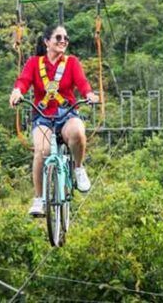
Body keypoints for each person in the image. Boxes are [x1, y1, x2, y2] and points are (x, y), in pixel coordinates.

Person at [9, 25, 99, 216]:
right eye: (58, 37)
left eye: (66, 38)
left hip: (66, 113)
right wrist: (17, 91)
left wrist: (89, 94)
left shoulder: (71, 63)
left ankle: (78, 168)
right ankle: (39, 199)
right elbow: (24, 81)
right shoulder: (34, 63)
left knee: (77, 132)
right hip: (43, 117)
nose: (63, 41)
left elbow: (82, 82)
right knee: (42, 151)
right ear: (47, 41)